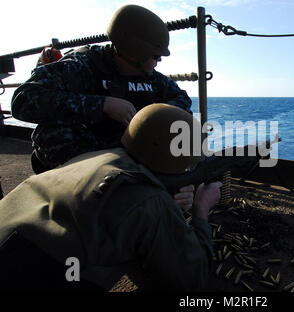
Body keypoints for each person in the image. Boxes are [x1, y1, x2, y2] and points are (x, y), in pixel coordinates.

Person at [0, 103, 222, 292]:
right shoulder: (149, 201)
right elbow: (192, 279)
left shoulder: (95, 157)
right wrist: (201, 210)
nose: (190, 168)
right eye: (190, 164)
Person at [11, 4, 192, 174]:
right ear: (135, 51)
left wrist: (150, 117)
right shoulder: (83, 66)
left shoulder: (151, 78)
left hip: (127, 156)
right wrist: (102, 105)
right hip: (85, 161)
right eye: (155, 56)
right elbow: (23, 100)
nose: (157, 62)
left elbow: (181, 98)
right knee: (57, 134)